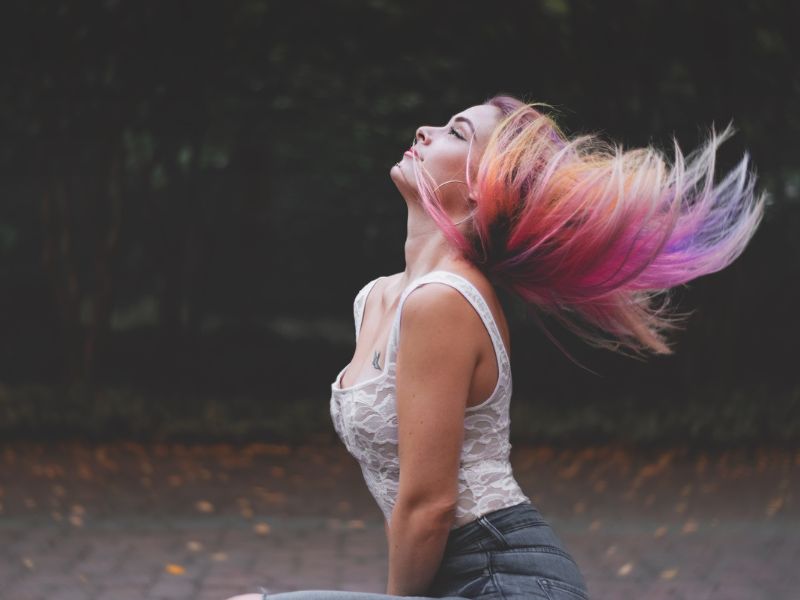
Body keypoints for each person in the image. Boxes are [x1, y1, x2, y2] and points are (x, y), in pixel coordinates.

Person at [225, 94, 765, 600]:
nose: (425, 131)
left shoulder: (443, 301)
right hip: (460, 573)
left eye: (456, 132)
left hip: (503, 577)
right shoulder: (377, 298)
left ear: (485, 184)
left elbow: (429, 506)